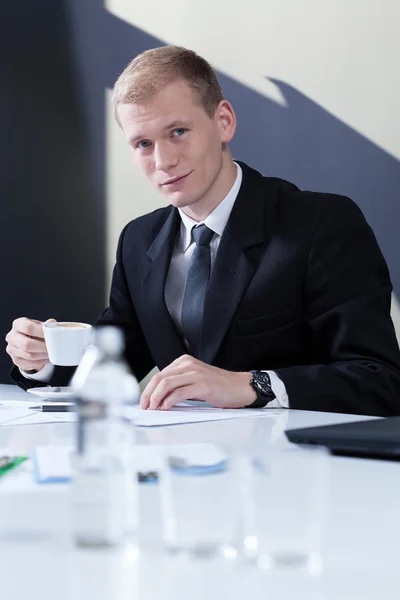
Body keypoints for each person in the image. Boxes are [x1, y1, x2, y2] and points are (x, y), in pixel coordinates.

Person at [6, 46, 400, 416]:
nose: (163, 160)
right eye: (143, 143)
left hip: (301, 470)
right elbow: (112, 366)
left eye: (178, 131)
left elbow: (380, 380)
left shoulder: (321, 223)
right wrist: (43, 360)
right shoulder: (138, 240)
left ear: (224, 121)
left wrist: (251, 385)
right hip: (180, 467)